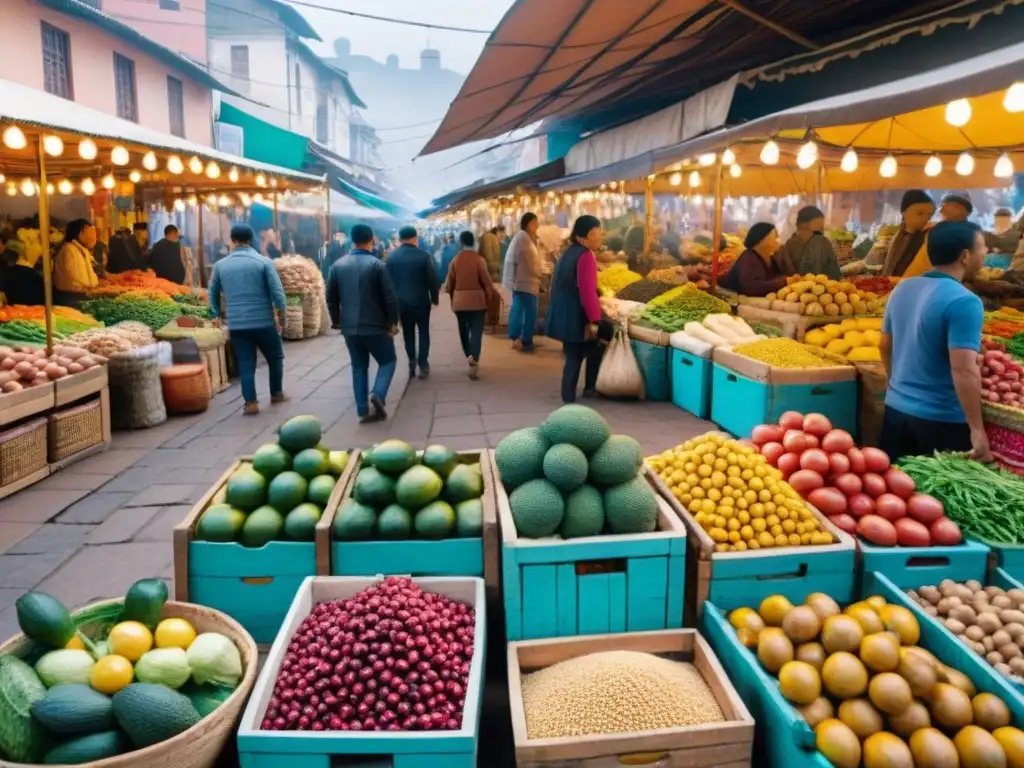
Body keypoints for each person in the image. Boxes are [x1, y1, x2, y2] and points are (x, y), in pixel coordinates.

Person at [880, 220, 990, 462]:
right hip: (940, 420)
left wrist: (895, 385)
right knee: (939, 497)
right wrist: (977, 429)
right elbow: (963, 369)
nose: (986, 254)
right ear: (965, 256)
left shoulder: (902, 288)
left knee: (898, 492)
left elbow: (885, 346)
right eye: (983, 248)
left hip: (896, 412)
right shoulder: (966, 301)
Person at [208, 224, 289, 415]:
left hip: (237, 324)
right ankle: (276, 393)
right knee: (275, 357)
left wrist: (215, 314)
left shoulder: (221, 265)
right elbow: (278, 293)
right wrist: (282, 315)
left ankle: (251, 402)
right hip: (264, 322)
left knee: (246, 362)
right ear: (251, 240)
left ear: (232, 241)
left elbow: (212, 291)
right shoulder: (264, 262)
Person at [327, 224, 400, 423]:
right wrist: (393, 321)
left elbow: (331, 298)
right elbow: (390, 297)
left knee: (359, 367)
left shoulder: (337, 266)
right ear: (372, 240)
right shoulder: (378, 265)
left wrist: (336, 322)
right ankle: (378, 393)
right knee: (388, 361)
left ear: (352, 240)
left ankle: (362, 409)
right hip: (376, 326)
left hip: (350, 327)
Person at [546, 215, 605, 403]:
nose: (600, 238)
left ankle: (576, 391)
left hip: (563, 313)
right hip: (577, 315)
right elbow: (587, 292)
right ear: (586, 235)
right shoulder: (586, 256)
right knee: (580, 353)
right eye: (597, 233)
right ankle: (572, 395)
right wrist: (595, 319)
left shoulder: (568, 252)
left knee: (580, 352)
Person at [386, 225, 439, 379]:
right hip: (421, 301)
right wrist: (435, 298)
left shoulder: (392, 257)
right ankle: (423, 363)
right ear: (415, 238)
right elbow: (432, 280)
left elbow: (388, 284)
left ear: (400, 239)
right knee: (423, 332)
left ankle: (411, 361)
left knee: (408, 333)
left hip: (401, 303)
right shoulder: (424, 256)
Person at [446, 231, 495, 380]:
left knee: (463, 331)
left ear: (461, 242)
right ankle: (474, 358)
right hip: (477, 302)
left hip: (460, 303)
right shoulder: (479, 260)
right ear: (473, 242)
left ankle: (468, 355)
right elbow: (487, 282)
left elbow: (449, 285)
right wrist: (489, 296)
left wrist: (452, 298)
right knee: (476, 331)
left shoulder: (455, 260)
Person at [503, 212, 543, 351]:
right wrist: (541, 273)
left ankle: (516, 338)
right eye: (535, 223)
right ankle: (525, 340)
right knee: (529, 313)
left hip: (520, 282)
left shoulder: (521, 237)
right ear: (528, 224)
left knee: (518, 310)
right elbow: (531, 262)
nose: (537, 226)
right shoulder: (524, 239)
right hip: (527, 282)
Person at [718, 223, 788, 297]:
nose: (778, 240)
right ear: (762, 240)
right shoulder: (748, 259)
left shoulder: (769, 258)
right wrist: (784, 281)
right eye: (775, 236)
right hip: (732, 299)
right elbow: (752, 288)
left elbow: (775, 277)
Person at [881, 190, 937, 277]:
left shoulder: (928, 238)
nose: (925, 219)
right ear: (904, 212)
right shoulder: (899, 235)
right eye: (920, 213)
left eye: (929, 215)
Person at [780, 206, 841, 279]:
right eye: (818, 221)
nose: (822, 225)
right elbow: (786, 273)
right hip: (797, 287)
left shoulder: (824, 242)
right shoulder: (790, 244)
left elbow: (834, 271)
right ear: (804, 224)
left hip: (823, 286)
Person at [54, 219, 100, 301]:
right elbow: (79, 280)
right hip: (70, 299)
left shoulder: (81, 249)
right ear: (80, 233)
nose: (93, 237)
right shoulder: (69, 250)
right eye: (89, 231)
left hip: (79, 296)